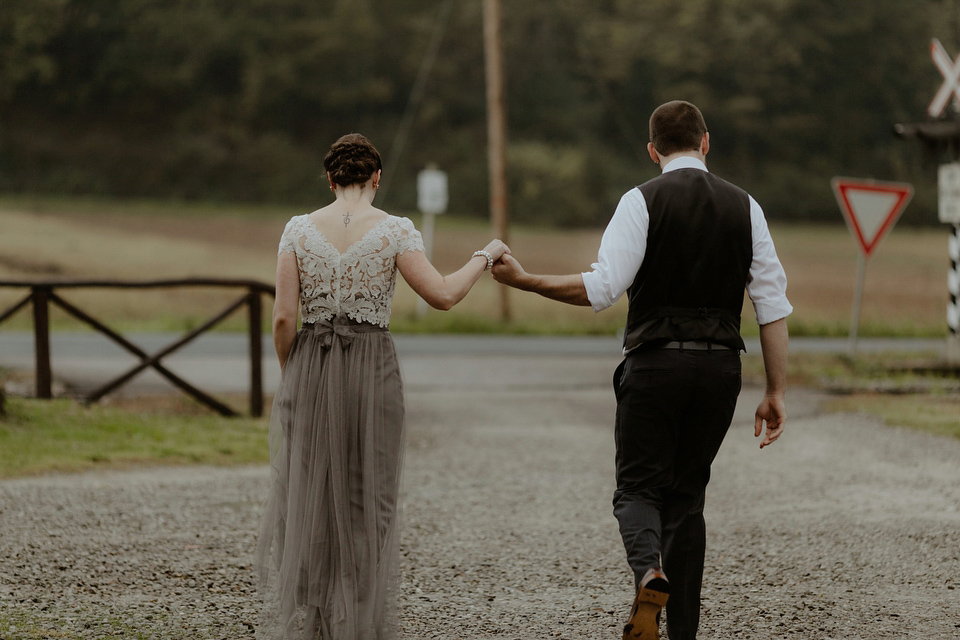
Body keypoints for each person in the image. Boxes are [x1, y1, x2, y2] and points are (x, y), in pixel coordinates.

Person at [491, 100, 791, 640]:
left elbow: (602, 288)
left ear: (652, 151)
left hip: (654, 366)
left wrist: (526, 279)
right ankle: (683, 633)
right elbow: (771, 308)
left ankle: (649, 573)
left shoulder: (641, 201)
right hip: (720, 371)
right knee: (687, 496)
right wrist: (774, 391)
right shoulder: (747, 207)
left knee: (637, 490)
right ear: (706, 142)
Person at [254, 133, 509, 640]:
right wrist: (486, 254)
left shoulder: (297, 231)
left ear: (330, 179)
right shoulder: (395, 230)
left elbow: (284, 317)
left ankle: (320, 618)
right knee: (371, 494)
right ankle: (361, 617)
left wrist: (295, 375)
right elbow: (442, 295)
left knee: (311, 490)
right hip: (373, 368)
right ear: (375, 178)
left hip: (311, 362)